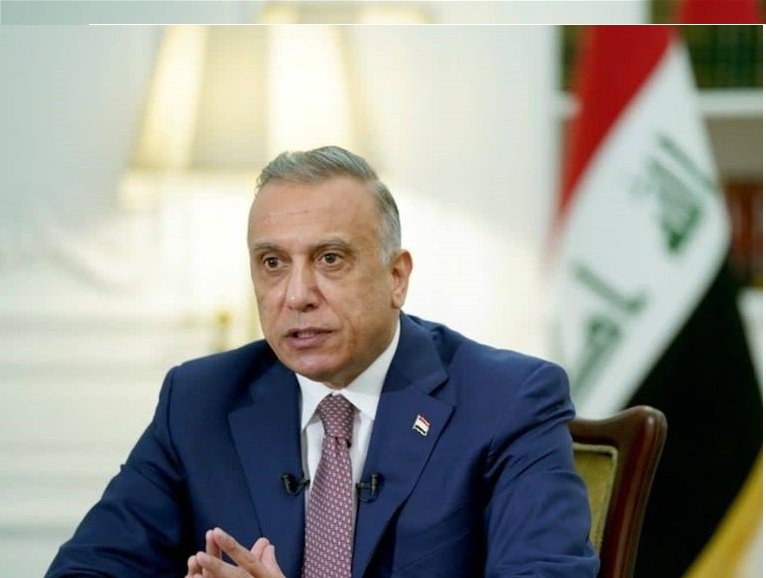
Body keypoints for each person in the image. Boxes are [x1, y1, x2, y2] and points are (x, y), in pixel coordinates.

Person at [46, 146, 599, 578]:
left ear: (396, 277)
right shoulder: (198, 402)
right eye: (272, 263)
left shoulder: (506, 400)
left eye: (330, 259)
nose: (297, 295)